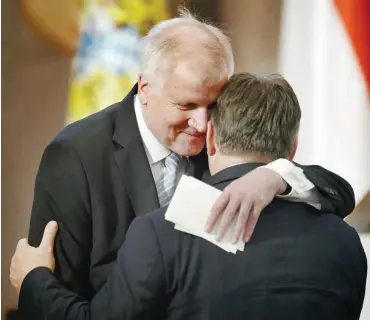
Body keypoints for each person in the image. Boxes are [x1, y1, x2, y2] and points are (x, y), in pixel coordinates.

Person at [27, 9, 354, 300]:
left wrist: (276, 176)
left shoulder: (225, 144)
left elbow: (338, 194)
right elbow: (58, 295)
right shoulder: (75, 156)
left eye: (213, 105)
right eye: (186, 105)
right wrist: (32, 281)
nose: (202, 123)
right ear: (145, 88)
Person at [11, 73, 367, 319]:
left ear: (210, 138)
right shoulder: (345, 242)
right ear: (293, 149)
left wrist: (33, 279)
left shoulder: (162, 235)